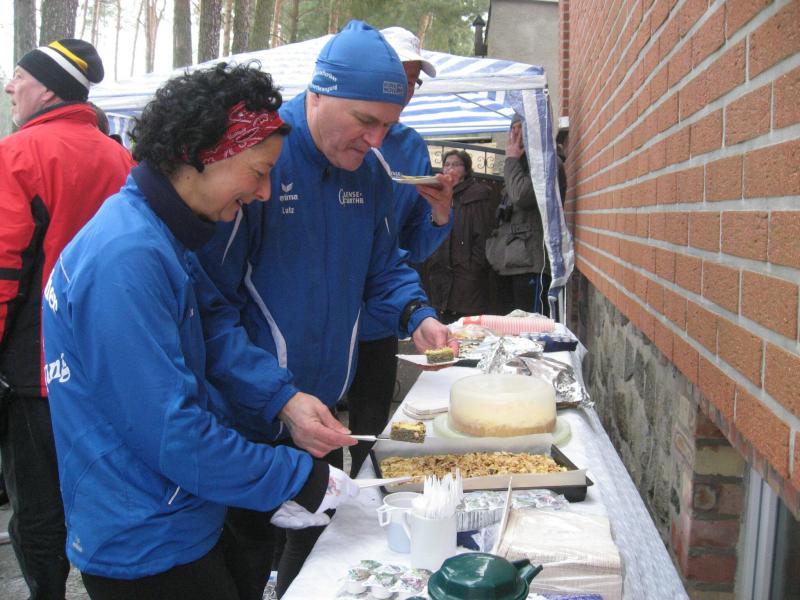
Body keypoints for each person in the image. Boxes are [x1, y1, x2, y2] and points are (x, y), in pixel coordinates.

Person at [41, 62, 360, 600]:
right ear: (201, 155)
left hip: (179, 512)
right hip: (141, 538)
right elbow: (171, 431)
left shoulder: (162, 232)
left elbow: (211, 325)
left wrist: (283, 400)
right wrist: (296, 477)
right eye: (258, 172)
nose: (264, 192)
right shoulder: (126, 256)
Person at [198, 21, 452, 597]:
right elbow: (210, 308)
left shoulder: (371, 173)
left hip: (321, 411)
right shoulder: (261, 163)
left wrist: (417, 312)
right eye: (365, 121)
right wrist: (277, 398)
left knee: (319, 547)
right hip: (248, 415)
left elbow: (383, 265)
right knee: (243, 558)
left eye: (388, 125)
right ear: (318, 94)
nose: (376, 140)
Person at [0, 38, 135, 599]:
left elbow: (3, 270)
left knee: (37, 510)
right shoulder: (121, 158)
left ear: (50, 90)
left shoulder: (16, 155)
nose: (10, 86)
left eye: (20, 77)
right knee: (105, 491)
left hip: (35, 374)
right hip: (109, 367)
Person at [345, 26, 454, 477]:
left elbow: (411, 246)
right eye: (398, 77)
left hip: (380, 313)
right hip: (327, 316)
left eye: (412, 81)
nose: (405, 90)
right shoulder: (339, 135)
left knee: (372, 421)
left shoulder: (410, 146)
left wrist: (440, 214)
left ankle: (365, 493)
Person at [486, 115, 566, 317]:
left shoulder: (548, 163)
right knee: (512, 326)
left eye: (521, 127)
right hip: (511, 263)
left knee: (532, 326)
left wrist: (511, 160)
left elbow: (521, 195)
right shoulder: (520, 166)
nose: (516, 134)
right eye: (513, 128)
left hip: (533, 263)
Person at [425, 149, 497, 324]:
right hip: (441, 273)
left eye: (456, 165)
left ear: (466, 170)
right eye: (447, 165)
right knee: (443, 323)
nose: (450, 168)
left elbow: (484, 234)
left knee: (467, 326)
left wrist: (474, 265)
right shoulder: (438, 194)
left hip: (467, 274)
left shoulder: (477, 194)